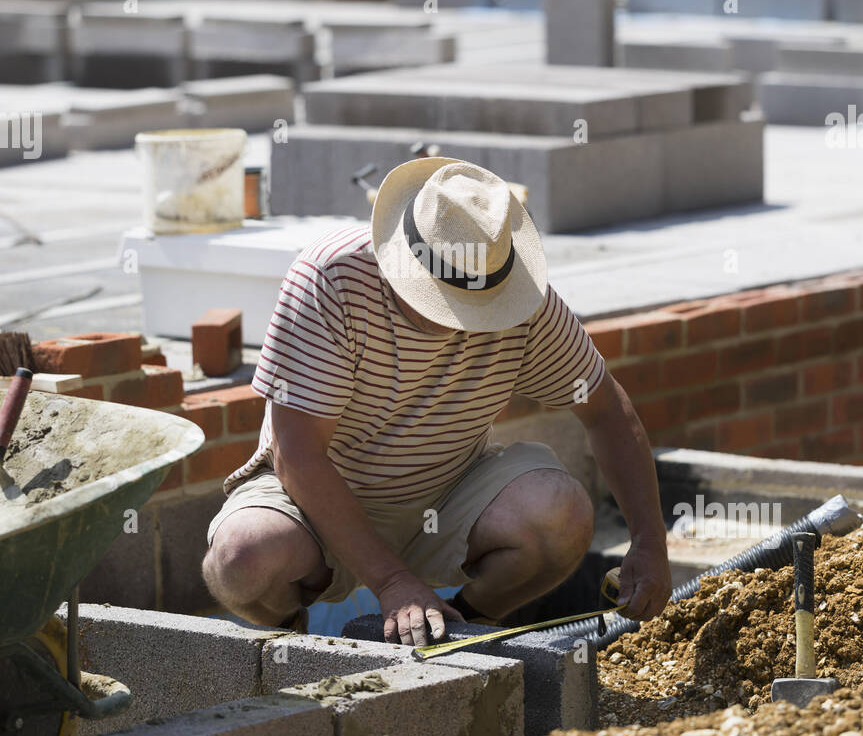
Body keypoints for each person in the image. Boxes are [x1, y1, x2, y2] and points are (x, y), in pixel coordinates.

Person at [203, 158, 672, 646]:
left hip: (446, 493)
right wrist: (392, 582)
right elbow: (296, 455)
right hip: (316, 502)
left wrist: (649, 540)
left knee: (561, 514)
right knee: (243, 559)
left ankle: (462, 631)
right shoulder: (331, 278)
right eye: (436, 298)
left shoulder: (523, 302)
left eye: (469, 306)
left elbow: (606, 411)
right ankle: (297, 650)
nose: (454, 323)